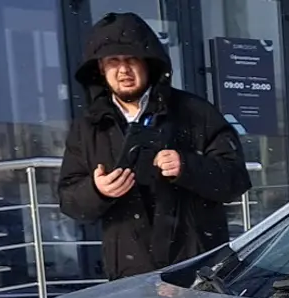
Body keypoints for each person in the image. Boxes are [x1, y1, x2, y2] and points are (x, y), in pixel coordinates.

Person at [59, 12, 250, 279]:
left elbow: (236, 179)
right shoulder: (88, 127)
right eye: (113, 61)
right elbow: (69, 200)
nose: (123, 70)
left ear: (148, 63)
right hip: (129, 274)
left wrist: (187, 166)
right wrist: (97, 190)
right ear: (101, 68)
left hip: (197, 268)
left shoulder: (195, 112)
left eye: (131, 59)